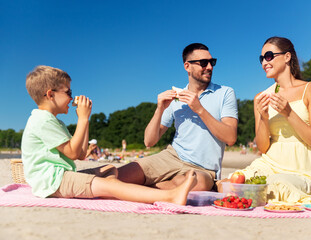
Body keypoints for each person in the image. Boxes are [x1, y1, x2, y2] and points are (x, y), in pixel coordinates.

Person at [21, 65, 197, 205]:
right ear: (51, 95)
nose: (71, 97)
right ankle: (170, 196)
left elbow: (82, 154)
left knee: (110, 169)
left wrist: (86, 120)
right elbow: (73, 153)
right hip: (52, 183)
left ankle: (108, 189)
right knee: (110, 184)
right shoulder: (42, 120)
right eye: (69, 92)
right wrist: (82, 119)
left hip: (60, 176)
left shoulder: (53, 121)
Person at [117, 43, 238, 191]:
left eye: (212, 62)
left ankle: (142, 186)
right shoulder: (176, 98)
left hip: (204, 169)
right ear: (187, 66)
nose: (210, 67)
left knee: (193, 184)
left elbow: (231, 138)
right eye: (204, 63)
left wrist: (199, 109)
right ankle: (144, 185)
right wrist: (159, 109)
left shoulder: (225, 93)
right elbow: (149, 141)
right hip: (171, 157)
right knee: (121, 174)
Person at [223, 37, 311, 204]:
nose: (264, 62)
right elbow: (263, 147)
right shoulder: (261, 97)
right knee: (233, 181)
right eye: (261, 58)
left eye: (269, 56)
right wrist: (264, 117)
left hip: (302, 171)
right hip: (269, 164)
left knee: (276, 185)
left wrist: (288, 113)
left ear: (287, 57)